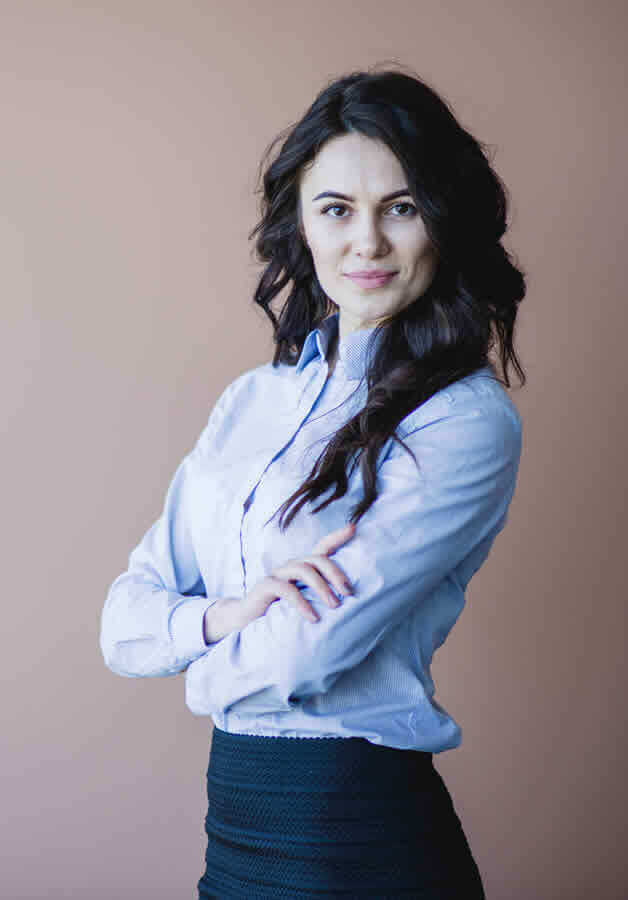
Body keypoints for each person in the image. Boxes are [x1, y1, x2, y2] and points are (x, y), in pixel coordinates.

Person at [100, 64, 526, 898]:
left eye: (401, 208)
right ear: (300, 223)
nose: (366, 243)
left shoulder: (465, 421)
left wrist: (193, 658)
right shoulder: (250, 401)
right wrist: (226, 615)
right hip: (236, 829)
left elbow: (307, 653)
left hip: (357, 835)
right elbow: (123, 622)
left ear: (443, 221)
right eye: (336, 209)